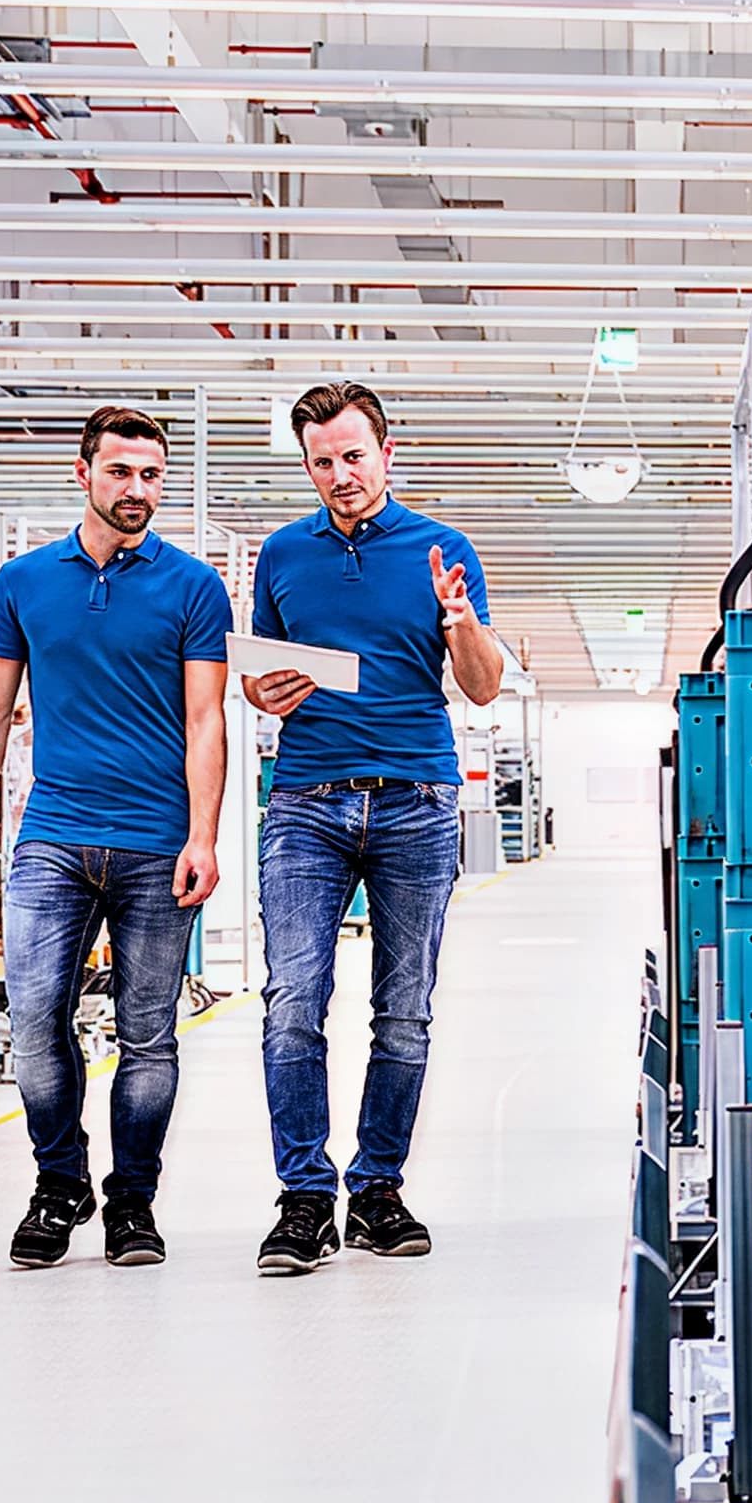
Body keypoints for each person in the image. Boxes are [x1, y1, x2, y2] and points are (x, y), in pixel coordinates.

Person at [0, 405, 232, 1270]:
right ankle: (58, 1181)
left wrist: (204, 835)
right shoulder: (25, 581)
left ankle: (132, 1203)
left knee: (149, 1034)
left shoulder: (194, 586)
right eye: (121, 472)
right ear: (84, 473)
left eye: (152, 475)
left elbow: (205, 719)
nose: (138, 490)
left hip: (156, 843)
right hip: (53, 837)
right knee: (34, 1019)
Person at [235, 381, 504, 1275]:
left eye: (354, 456)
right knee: (292, 1005)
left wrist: (460, 622)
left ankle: (378, 1189)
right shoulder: (280, 554)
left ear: (386, 451)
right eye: (322, 461)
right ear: (306, 464)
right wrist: (260, 689)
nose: (340, 474)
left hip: (416, 802)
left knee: (405, 1011)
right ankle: (305, 1198)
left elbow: (483, 685)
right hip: (306, 801)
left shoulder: (442, 548)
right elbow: (258, 676)